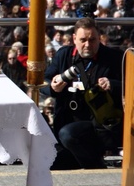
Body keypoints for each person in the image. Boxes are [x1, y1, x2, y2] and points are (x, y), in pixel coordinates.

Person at [44, 18, 124, 170]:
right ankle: (86, 160)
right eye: (83, 40)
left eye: (92, 40)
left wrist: (112, 85)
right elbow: (43, 82)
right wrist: (53, 87)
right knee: (48, 164)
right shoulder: (64, 55)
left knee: (68, 134)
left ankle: (96, 166)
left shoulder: (114, 57)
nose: (88, 45)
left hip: (99, 126)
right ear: (74, 39)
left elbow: (133, 87)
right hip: (66, 122)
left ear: (99, 38)